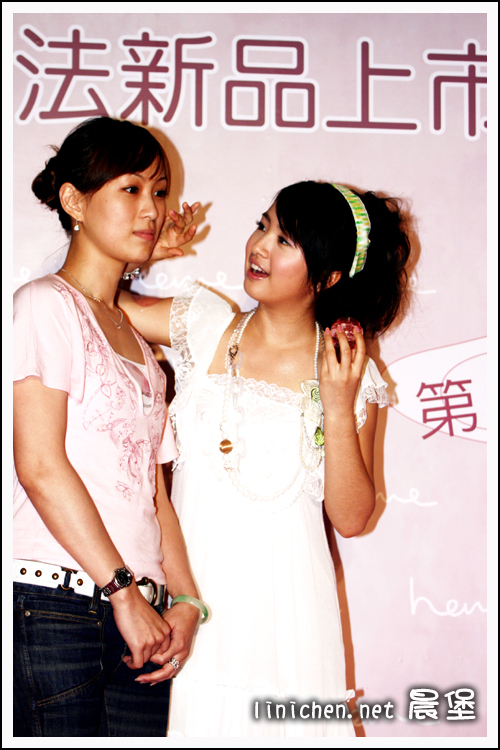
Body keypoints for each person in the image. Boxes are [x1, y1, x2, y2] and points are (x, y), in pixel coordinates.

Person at [119, 179, 411, 737]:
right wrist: (144, 254)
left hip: (288, 629)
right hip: (184, 605)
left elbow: (352, 518)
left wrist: (337, 404)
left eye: (285, 241)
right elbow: (87, 303)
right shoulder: (203, 324)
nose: (260, 246)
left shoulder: (349, 370)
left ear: (328, 277)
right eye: (263, 225)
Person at [13, 116, 205, 737]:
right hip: (58, 604)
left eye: (159, 191)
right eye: (131, 189)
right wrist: (123, 591)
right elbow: (39, 466)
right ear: (74, 201)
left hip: (141, 615)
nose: (152, 208)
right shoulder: (44, 304)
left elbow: (154, 494)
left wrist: (184, 600)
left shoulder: (142, 347)